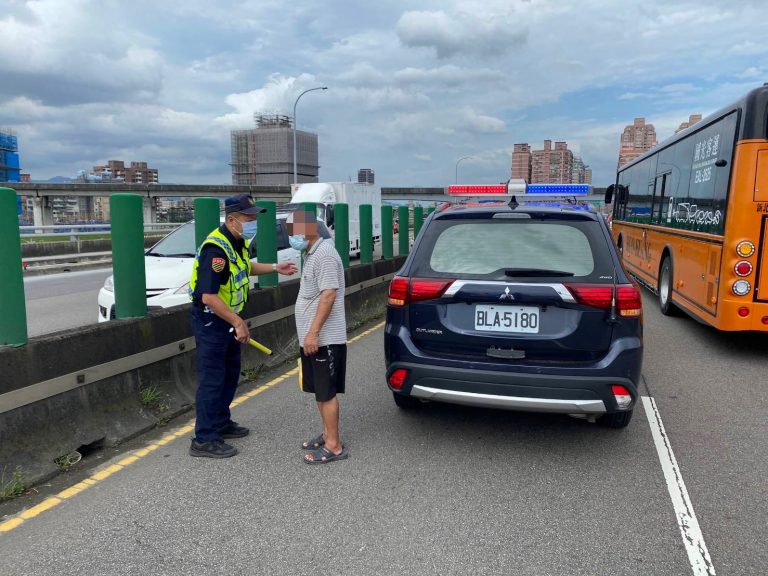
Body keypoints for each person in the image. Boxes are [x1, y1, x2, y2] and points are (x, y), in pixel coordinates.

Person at [188, 194, 298, 458]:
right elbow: (208, 296)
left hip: (226, 318)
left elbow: (245, 268)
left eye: (253, 218)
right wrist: (238, 322)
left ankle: (221, 422)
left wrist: (275, 267)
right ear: (231, 219)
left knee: (229, 374)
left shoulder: (236, 242)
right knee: (213, 379)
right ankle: (204, 438)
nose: (252, 223)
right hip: (212, 320)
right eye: (248, 219)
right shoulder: (215, 250)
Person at [288, 209, 349, 464]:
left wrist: (313, 333)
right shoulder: (312, 253)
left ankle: (334, 446)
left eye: (295, 229)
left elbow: (328, 294)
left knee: (326, 392)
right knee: (319, 391)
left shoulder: (324, 255)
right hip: (313, 339)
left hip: (324, 338)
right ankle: (327, 435)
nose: (292, 235)